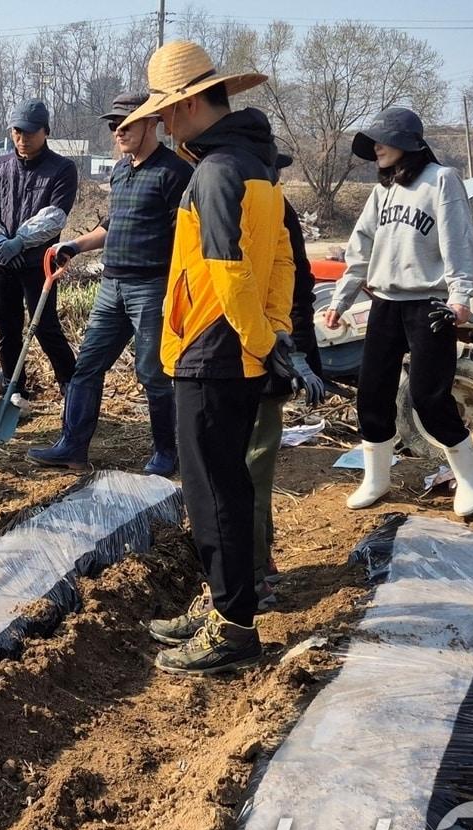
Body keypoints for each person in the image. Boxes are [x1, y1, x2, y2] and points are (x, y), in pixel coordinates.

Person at [122, 41, 293, 675]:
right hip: (234, 346)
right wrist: (271, 333)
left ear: (193, 102)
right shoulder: (256, 164)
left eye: (166, 110)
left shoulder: (217, 172)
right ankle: (224, 601)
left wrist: (260, 339)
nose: (162, 123)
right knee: (223, 482)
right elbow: (279, 260)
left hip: (212, 348)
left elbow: (228, 270)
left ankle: (232, 629)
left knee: (212, 489)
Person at [326, 106, 473, 517]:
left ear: (407, 144)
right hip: (384, 303)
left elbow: (459, 240)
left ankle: (470, 479)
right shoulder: (383, 191)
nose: (376, 148)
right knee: (372, 392)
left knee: (428, 397)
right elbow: (360, 247)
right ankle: (377, 478)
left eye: (382, 140)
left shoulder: (442, 180)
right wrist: (341, 299)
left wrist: (461, 296)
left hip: (429, 305)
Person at [28, 92, 192, 474]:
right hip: (112, 285)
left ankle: (167, 453)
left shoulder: (175, 172)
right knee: (87, 366)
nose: (118, 131)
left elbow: (187, 235)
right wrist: (74, 245)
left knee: (153, 373)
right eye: (113, 125)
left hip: (152, 288)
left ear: (151, 122)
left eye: (127, 123)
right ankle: (72, 447)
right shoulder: (120, 171)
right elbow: (111, 225)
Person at [246, 153, 326, 608]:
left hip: (265, 357)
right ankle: (256, 563)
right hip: (236, 358)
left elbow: (295, 284)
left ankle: (255, 576)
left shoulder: (277, 209)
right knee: (246, 467)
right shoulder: (239, 202)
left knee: (252, 468)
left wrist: (295, 352)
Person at [0, 99, 78, 410]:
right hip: (2, 263)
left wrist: (19, 242)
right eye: (17, 132)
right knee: (7, 327)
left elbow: (54, 216)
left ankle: (72, 388)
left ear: (46, 131)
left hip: (40, 264)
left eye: (31, 133)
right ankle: (15, 389)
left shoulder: (62, 168)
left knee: (46, 326)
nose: (23, 139)